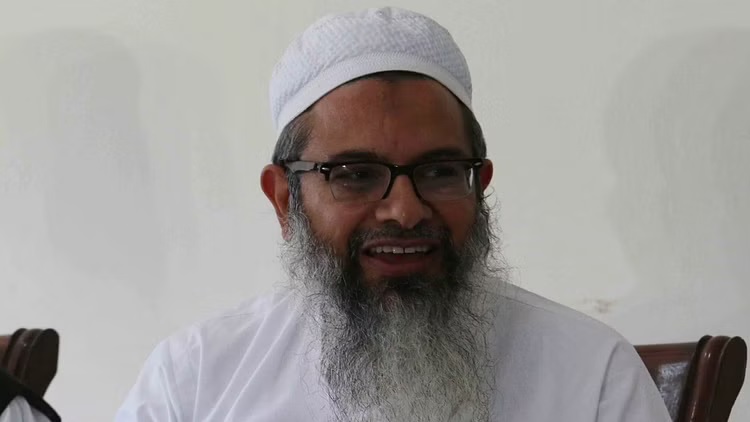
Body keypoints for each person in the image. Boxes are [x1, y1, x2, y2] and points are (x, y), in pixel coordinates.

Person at [116, 7, 672, 421]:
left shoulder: (591, 372)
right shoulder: (197, 379)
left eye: (439, 171)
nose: (405, 211)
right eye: (354, 174)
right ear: (284, 198)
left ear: (480, 185)